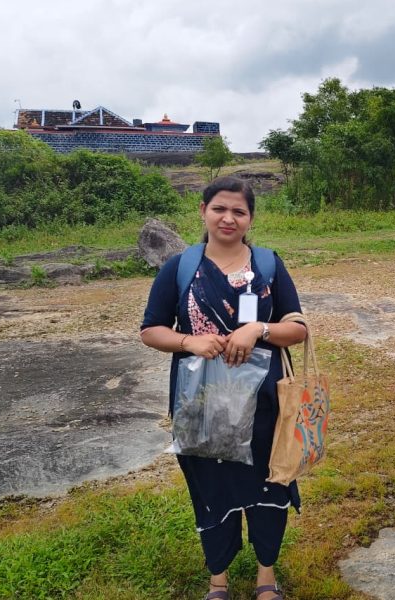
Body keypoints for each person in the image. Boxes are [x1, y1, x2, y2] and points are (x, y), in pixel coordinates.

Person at [141, 176, 306, 600]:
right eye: (219, 209)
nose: (228, 218)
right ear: (203, 211)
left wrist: (259, 329)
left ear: (250, 219)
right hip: (200, 403)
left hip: (264, 404)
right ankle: (218, 580)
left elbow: (297, 327)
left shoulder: (267, 265)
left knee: (270, 483)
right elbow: (151, 330)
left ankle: (266, 577)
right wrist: (188, 341)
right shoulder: (181, 268)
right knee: (211, 488)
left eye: (239, 211)